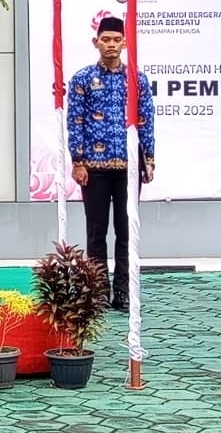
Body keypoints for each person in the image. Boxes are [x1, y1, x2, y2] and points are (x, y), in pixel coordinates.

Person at [66, 16, 156, 312]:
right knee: (96, 233)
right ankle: (99, 292)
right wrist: (78, 161)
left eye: (117, 40)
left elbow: (146, 120)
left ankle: (123, 292)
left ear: (125, 43)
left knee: (126, 232)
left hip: (129, 169)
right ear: (96, 42)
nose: (111, 45)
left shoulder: (137, 79)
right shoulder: (82, 79)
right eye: (106, 39)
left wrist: (149, 159)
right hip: (94, 168)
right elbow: (75, 121)